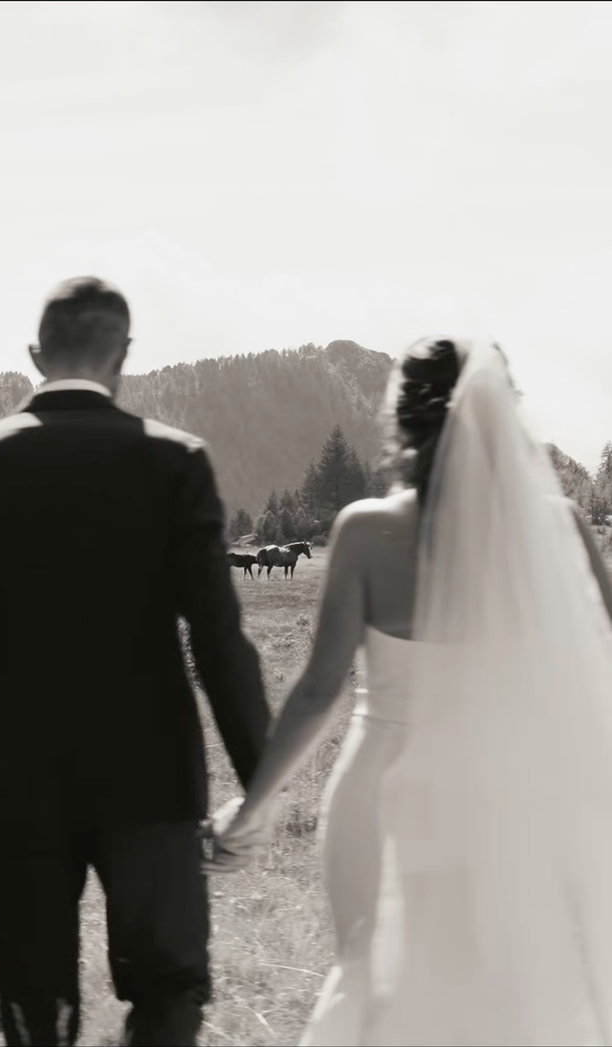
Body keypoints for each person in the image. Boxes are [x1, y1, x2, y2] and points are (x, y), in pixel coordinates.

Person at [206, 338, 612, 1044]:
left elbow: (317, 693)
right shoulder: (562, 527)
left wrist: (252, 805)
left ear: (404, 422)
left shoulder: (366, 531)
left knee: (373, 992)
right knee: (502, 1000)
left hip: (384, 796)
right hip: (510, 799)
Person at [0, 276, 272, 1046]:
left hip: (16, 780)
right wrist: (259, 783)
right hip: (152, 779)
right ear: (126, 355)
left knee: (36, 1004)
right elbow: (220, 638)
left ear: (35, 355)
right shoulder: (177, 463)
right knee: (170, 984)